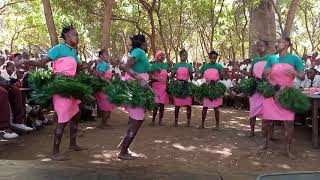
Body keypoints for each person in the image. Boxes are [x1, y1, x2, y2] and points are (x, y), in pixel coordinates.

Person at [21, 25, 87, 160]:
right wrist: (24, 61)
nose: (77, 37)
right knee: (63, 120)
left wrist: (86, 65)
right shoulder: (57, 49)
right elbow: (41, 63)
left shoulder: (73, 51)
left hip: (72, 87)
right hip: (60, 86)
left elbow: (78, 68)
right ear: (67, 36)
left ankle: (72, 144)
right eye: (75, 34)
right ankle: (55, 152)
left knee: (76, 115)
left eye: (77, 34)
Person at [262, 36, 305, 159]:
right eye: (277, 42)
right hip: (272, 92)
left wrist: (296, 73)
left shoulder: (295, 59)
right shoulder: (272, 58)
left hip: (287, 95)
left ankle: (287, 149)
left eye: (280, 42)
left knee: (289, 123)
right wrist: (273, 85)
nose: (277, 44)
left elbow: (302, 76)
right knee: (266, 123)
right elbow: (265, 75)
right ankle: (265, 143)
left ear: (287, 44)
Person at [117, 34, 150, 160]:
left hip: (137, 87)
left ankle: (125, 147)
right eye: (146, 43)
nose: (147, 45)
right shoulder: (139, 51)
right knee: (137, 120)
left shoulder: (137, 52)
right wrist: (140, 79)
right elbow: (126, 66)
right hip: (136, 88)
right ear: (142, 44)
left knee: (134, 119)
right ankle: (123, 151)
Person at [196, 50, 223, 129]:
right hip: (207, 87)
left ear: (216, 58)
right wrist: (197, 73)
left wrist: (221, 73)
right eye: (212, 57)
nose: (213, 58)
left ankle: (217, 125)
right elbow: (200, 76)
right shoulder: (205, 66)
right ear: (209, 57)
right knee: (205, 107)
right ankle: (202, 124)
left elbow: (221, 77)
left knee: (216, 107)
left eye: (215, 57)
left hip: (215, 87)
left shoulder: (219, 66)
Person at [248, 40, 269, 137]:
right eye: (258, 46)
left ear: (266, 47)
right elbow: (251, 74)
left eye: (261, 45)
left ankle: (265, 133)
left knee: (266, 110)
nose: (259, 47)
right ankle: (252, 131)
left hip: (265, 88)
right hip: (255, 89)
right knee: (253, 110)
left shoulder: (270, 59)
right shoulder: (255, 60)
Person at [171, 49, 193, 127]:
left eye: (186, 55)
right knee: (177, 105)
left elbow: (191, 77)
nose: (185, 56)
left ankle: (188, 122)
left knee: (188, 105)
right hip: (178, 86)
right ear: (180, 56)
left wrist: (191, 73)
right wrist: (173, 73)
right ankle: (176, 121)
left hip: (186, 85)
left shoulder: (189, 65)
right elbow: (172, 76)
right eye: (183, 55)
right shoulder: (176, 65)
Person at [95, 50, 115, 128]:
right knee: (107, 106)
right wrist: (109, 82)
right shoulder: (104, 64)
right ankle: (103, 123)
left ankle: (104, 123)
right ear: (101, 56)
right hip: (104, 88)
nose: (107, 55)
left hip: (101, 87)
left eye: (107, 54)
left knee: (104, 106)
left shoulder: (99, 64)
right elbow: (100, 76)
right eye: (106, 54)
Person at [150, 50, 170, 126]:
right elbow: (150, 75)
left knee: (162, 105)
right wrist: (155, 78)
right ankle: (153, 120)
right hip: (156, 86)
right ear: (157, 56)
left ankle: (160, 121)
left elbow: (168, 74)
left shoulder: (166, 65)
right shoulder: (153, 65)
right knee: (156, 104)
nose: (162, 57)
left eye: (163, 55)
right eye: (160, 55)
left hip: (164, 86)